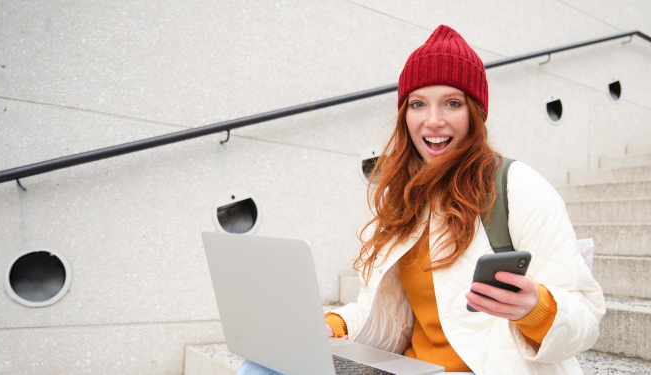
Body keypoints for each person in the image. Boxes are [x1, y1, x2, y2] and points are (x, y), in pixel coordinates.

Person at [238, 24, 604, 375]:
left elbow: (585, 318)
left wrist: (536, 308)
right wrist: (332, 325)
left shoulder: (516, 185)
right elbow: (385, 316)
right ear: (404, 114)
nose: (433, 121)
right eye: (418, 104)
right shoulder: (404, 197)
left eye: (451, 103)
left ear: (475, 113)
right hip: (410, 367)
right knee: (261, 365)